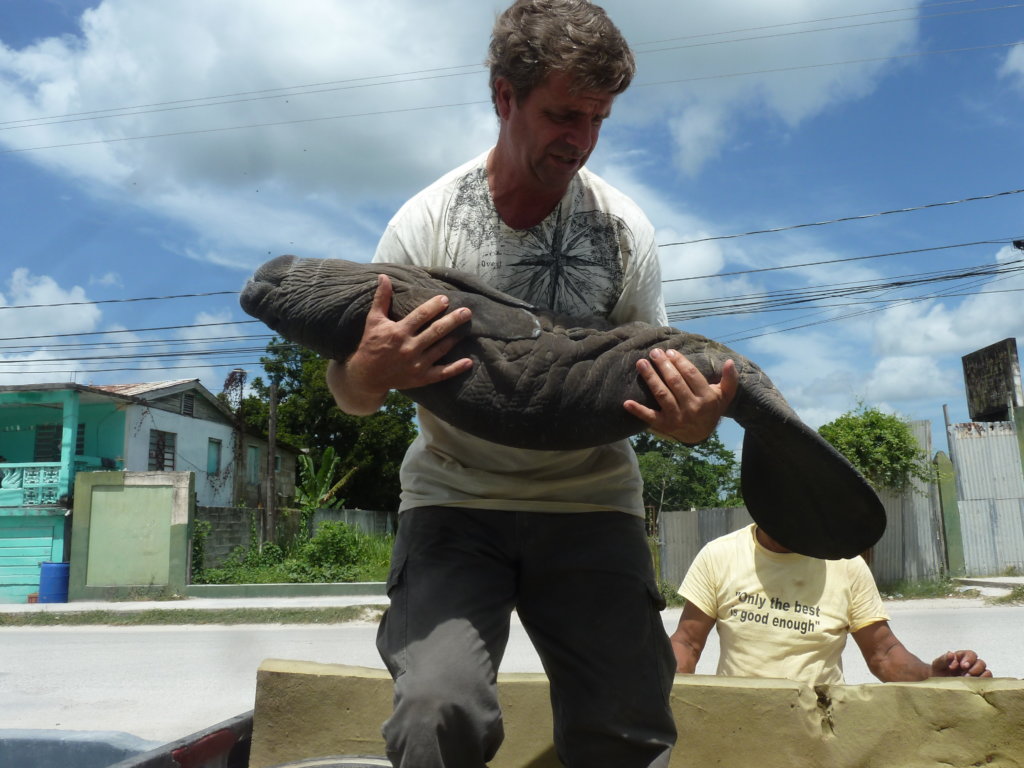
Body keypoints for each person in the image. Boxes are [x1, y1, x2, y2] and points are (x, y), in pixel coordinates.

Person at [326, 1, 738, 765]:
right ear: (503, 96)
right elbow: (351, 394)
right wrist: (367, 371)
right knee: (433, 711)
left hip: (590, 501)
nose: (578, 140)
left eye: (598, 119)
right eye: (561, 114)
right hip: (454, 502)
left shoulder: (623, 232)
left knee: (628, 723)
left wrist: (685, 421)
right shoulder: (424, 226)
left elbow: (652, 382)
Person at [671, 523, 992, 685]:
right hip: (738, 729)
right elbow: (687, 643)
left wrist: (931, 678)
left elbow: (884, 654)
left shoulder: (846, 563)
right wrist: (659, 689)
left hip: (823, 730)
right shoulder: (720, 555)